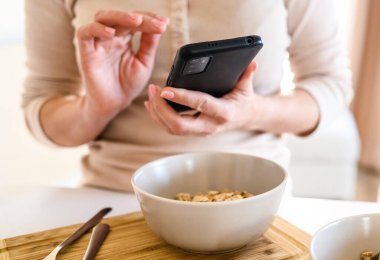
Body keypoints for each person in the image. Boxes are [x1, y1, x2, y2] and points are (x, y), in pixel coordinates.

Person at [22, 0, 352, 191]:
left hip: (255, 194)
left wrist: (251, 111)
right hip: (115, 198)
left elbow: (330, 85)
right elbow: (41, 103)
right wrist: (97, 107)